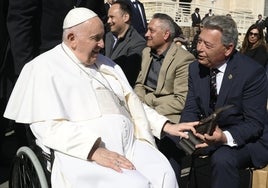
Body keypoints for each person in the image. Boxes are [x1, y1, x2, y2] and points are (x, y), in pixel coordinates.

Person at [4, 7, 199, 188]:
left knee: (164, 174)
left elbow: (132, 104)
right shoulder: (43, 67)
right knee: (134, 184)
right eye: (95, 38)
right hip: (82, 152)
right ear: (72, 38)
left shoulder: (107, 65)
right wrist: (93, 150)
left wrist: (166, 126)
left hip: (130, 144)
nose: (102, 44)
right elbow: (46, 126)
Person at [179, 15, 268, 188]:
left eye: (207, 45)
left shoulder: (251, 73)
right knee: (171, 141)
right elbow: (190, 107)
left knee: (222, 158)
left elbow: (254, 124)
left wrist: (223, 137)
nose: (199, 49)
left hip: (245, 140)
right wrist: (188, 132)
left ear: (228, 49)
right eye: (199, 41)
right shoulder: (195, 68)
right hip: (207, 134)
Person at [134, 13, 195, 180]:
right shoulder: (146, 52)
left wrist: (148, 106)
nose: (146, 34)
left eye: (151, 31)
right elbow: (139, 85)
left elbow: (180, 100)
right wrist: (142, 107)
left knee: (169, 151)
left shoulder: (184, 59)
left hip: (168, 117)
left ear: (166, 34)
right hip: (144, 111)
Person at [104, 0, 146, 87]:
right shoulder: (106, 38)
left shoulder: (138, 43)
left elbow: (128, 77)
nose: (108, 21)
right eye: (108, 17)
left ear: (125, 17)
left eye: (112, 17)